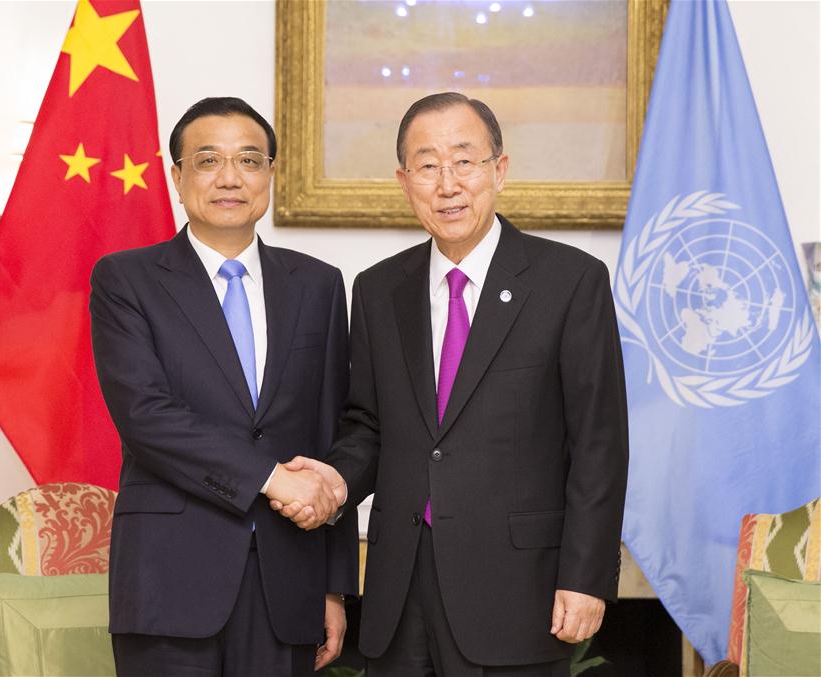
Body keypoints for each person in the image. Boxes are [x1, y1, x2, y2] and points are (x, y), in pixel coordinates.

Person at [277, 92, 629, 676]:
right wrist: (334, 480)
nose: (448, 184)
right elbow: (368, 425)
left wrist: (586, 577)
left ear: (500, 169)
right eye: (427, 164)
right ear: (403, 180)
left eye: (464, 160)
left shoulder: (570, 282)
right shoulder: (378, 289)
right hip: (399, 587)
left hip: (521, 592)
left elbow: (599, 443)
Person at [90, 97, 357, 677]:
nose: (230, 178)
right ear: (177, 176)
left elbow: (331, 433)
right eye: (208, 160)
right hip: (169, 580)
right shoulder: (126, 279)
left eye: (250, 160)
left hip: (288, 582)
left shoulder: (319, 285)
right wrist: (270, 476)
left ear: (270, 174)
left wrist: (334, 588)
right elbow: (146, 416)